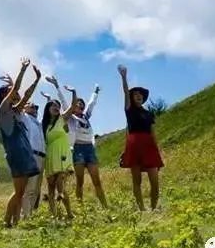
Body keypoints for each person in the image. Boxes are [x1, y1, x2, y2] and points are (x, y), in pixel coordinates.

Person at [0, 58, 42, 228]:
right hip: (16, 154)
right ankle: (6, 221)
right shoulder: (3, 111)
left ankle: (15, 221)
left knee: (21, 192)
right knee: (18, 192)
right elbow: (16, 88)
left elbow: (27, 95)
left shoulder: (16, 112)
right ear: (5, 96)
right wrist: (23, 69)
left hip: (25, 152)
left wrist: (37, 79)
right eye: (11, 93)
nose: (16, 95)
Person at [118, 64, 164, 211]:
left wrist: (157, 151)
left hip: (149, 146)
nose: (138, 96)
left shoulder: (149, 114)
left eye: (140, 94)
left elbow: (153, 132)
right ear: (132, 98)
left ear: (143, 98)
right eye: (135, 94)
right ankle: (142, 210)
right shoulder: (129, 109)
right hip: (134, 146)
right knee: (136, 180)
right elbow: (125, 93)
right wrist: (124, 77)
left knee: (155, 182)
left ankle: (153, 208)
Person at [65, 83, 108, 208]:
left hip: (89, 149)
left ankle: (105, 206)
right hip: (78, 149)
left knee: (96, 180)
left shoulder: (86, 117)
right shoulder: (71, 118)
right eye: (77, 104)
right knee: (80, 181)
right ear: (73, 107)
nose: (80, 105)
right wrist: (59, 87)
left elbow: (91, 104)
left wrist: (95, 91)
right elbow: (64, 102)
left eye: (81, 104)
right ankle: (80, 207)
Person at [41, 76, 74, 220]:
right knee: (51, 186)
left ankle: (69, 213)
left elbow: (72, 107)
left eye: (58, 106)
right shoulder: (45, 126)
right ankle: (53, 214)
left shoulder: (62, 119)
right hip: (50, 156)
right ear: (48, 109)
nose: (56, 108)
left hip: (62, 154)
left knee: (61, 183)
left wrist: (73, 92)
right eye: (53, 106)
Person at [19, 101, 45, 220]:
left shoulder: (38, 123)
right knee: (29, 187)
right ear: (24, 108)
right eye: (31, 105)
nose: (34, 108)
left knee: (36, 189)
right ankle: (25, 216)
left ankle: (29, 214)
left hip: (42, 156)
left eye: (36, 107)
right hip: (32, 154)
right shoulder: (24, 117)